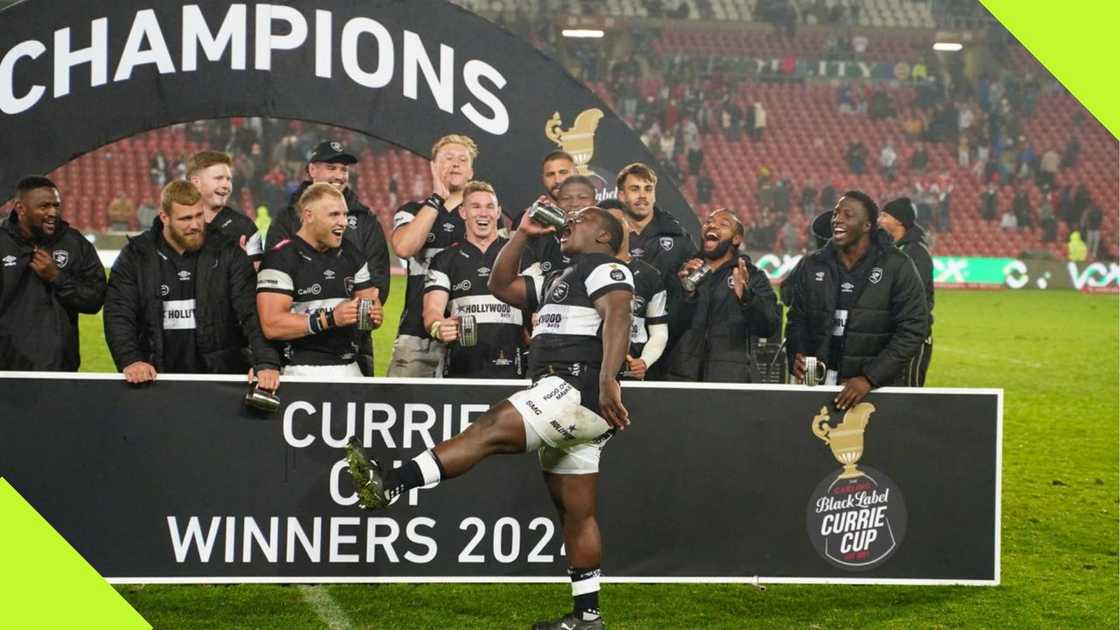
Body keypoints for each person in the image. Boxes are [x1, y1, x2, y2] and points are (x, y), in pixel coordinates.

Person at [346, 207, 633, 630]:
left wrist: (609, 378)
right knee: (575, 512)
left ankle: (391, 484)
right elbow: (500, 286)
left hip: (575, 388)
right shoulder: (559, 273)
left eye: (582, 217)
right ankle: (587, 615)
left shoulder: (607, 267)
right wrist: (519, 234)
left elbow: (619, 316)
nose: (569, 220)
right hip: (576, 400)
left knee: (491, 428)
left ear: (604, 236)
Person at [103, 181, 278, 387]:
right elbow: (119, 313)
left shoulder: (227, 252)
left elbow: (250, 311)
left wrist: (265, 361)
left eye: (199, 215)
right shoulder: (136, 256)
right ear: (165, 218)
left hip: (219, 379)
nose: (195, 225)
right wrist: (130, 360)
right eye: (186, 218)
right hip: (155, 380)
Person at [784, 191, 928, 409]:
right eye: (835, 214)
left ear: (867, 225)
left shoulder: (897, 265)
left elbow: (914, 328)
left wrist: (869, 378)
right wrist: (797, 353)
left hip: (874, 390)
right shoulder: (812, 264)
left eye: (847, 214)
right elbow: (797, 319)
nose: (837, 219)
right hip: (817, 386)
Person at [264, 140, 392, 375]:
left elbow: (376, 286)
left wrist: (370, 313)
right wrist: (331, 318)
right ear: (312, 170)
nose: (340, 175)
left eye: (343, 169)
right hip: (295, 360)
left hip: (351, 355)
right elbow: (272, 316)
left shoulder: (363, 223)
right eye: (332, 168)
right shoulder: (284, 226)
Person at [388, 134, 475, 377]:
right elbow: (404, 248)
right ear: (433, 167)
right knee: (403, 407)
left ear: (471, 172)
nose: (455, 164)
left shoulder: (484, 216)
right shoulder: (411, 211)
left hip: (469, 334)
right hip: (417, 334)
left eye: (462, 159)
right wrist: (437, 198)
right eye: (448, 158)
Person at [0, 176, 106, 371]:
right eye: (44, 206)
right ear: (20, 208)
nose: (53, 213)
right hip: (6, 371)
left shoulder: (76, 244)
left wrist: (58, 278)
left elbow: (95, 300)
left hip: (60, 371)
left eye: (56, 206)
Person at [423, 181, 525, 378]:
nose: (483, 213)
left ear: (498, 212)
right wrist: (438, 327)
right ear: (463, 212)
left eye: (489, 207)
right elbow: (432, 310)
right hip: (461, 369)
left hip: (514, 369)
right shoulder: (444, 259)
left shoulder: (520, 253)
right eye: (475, 206)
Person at [667, 209, 780, 382]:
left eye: (723, 224)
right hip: (682, 378)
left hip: (730, 380)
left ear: (736, 239)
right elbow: (667, 327)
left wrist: (747, 298)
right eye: (709, 221)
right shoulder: (684, 271)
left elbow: (768, 327)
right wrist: (687, 294)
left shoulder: (752, 276)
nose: (712, 225)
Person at [617, 162, 697, 378]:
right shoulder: (609, 233)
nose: (642, 195)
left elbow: (696, 288)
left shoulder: (678, 237)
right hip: (615, 337)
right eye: (635, 189)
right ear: (621, 195)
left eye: (648, 189)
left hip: (668, 341)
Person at [600, 199, 669, 380]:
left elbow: (659, 331)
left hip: (631, 369)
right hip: (592, 367)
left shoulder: (650, 276)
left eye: (617, 222)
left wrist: (645, 360)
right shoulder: (583, 271)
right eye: (606, 223)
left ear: (629, 226)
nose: (612, 228)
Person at [879, 198, 934, 386]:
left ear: (899, 221)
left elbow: (916, 297)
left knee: (907, 394)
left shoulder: (917, 254)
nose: (880, 220)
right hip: (892, 336)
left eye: (885, 216)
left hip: (911, 337)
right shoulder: (893, 250)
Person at [186, 151, 263, 262]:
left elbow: (260, 273)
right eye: (218, 178)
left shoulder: (244, 227)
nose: (226, 185)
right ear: (196, 182)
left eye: (228, 179)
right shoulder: (171, 226)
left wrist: (245, 267)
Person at [521, 175, 598, 275]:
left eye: (583, 197)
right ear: (557, 204)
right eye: (566, 198)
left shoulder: (607, 235)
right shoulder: (541, 240)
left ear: (595, 203)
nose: (574, 203)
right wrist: (521, 232)